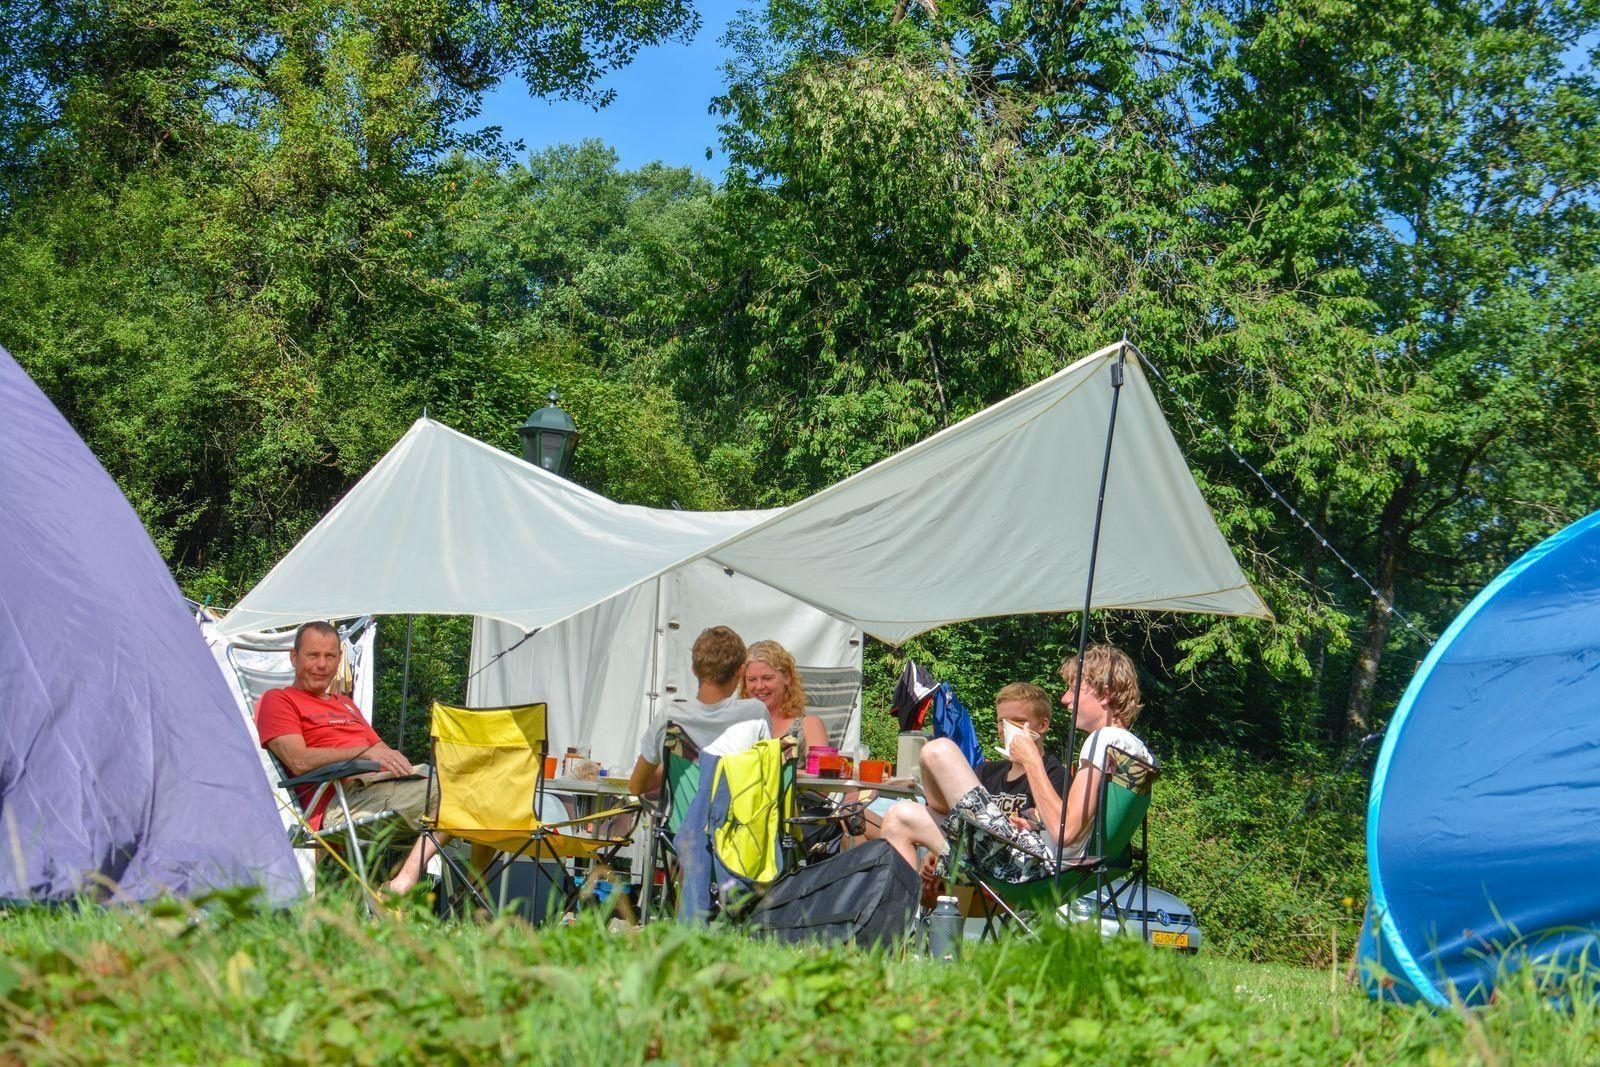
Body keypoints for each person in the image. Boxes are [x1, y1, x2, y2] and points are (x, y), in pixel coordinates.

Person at [894, 644, 1155, 888]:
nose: (1065, 699)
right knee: (900, 816)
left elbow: (1067, 834)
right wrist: (1036, 823)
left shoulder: (1104, 739)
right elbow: (1076, 828)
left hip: (1029, 866)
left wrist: (1031, 760)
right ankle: (899, 934)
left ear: (1105, 693)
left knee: (937, 750)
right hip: (1045, 860)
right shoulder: (1135, 750)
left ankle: (897, 932)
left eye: (1075, 689)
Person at [255, 621, 486, 896]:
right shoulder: (278, 700)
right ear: (294, 657)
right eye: (312, 655)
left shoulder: (345, 703)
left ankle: (464, 891)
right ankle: (403, 885)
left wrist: (405, 766)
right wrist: (362, 752)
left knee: (485, 787)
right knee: (461, 794)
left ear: (340, 659)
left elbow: (385, 753)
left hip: (380, 788)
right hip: (338, 801)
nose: (321, 664)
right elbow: (298, 760)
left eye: (330, 656)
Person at [627, 625, 771, 794]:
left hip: (682, 820)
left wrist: (683, 770)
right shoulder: (755, 714)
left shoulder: (670, 717)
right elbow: (765, 778)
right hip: (736, 819)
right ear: (740, 671)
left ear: (694, 669)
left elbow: (636, 787)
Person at [739, 640, 829, 754]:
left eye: (767, 678)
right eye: (751, 679)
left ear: (787, 678)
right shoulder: (737, 725)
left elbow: (819, 770)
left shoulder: (809, 725)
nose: (759, 686)